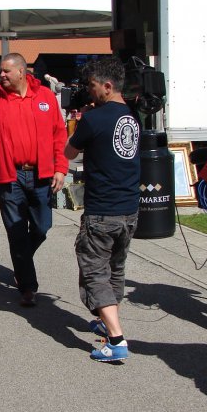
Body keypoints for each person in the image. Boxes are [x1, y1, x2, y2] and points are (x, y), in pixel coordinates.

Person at [0, 53, 68, 306]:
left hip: (41, 175)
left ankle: (21, 260)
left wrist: (61, 168)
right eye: (0, 71)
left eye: (6, 71)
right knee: (16, 232)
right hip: (10, 176)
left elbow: (59, 135)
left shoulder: (45, 97)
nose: (1, 75)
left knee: (42, 227)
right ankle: (28, 286)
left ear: (21, 72)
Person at [64, 58, 140, 362]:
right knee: (115, 269)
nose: (89, 90)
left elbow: (69, 151)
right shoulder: (132, 115)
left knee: (95, 271)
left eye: (92, 85)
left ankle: (117, 339)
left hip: (102, 210)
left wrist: (82, 122)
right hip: (128, 209)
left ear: (107, 86)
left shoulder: (93, 119)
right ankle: (109, 323)